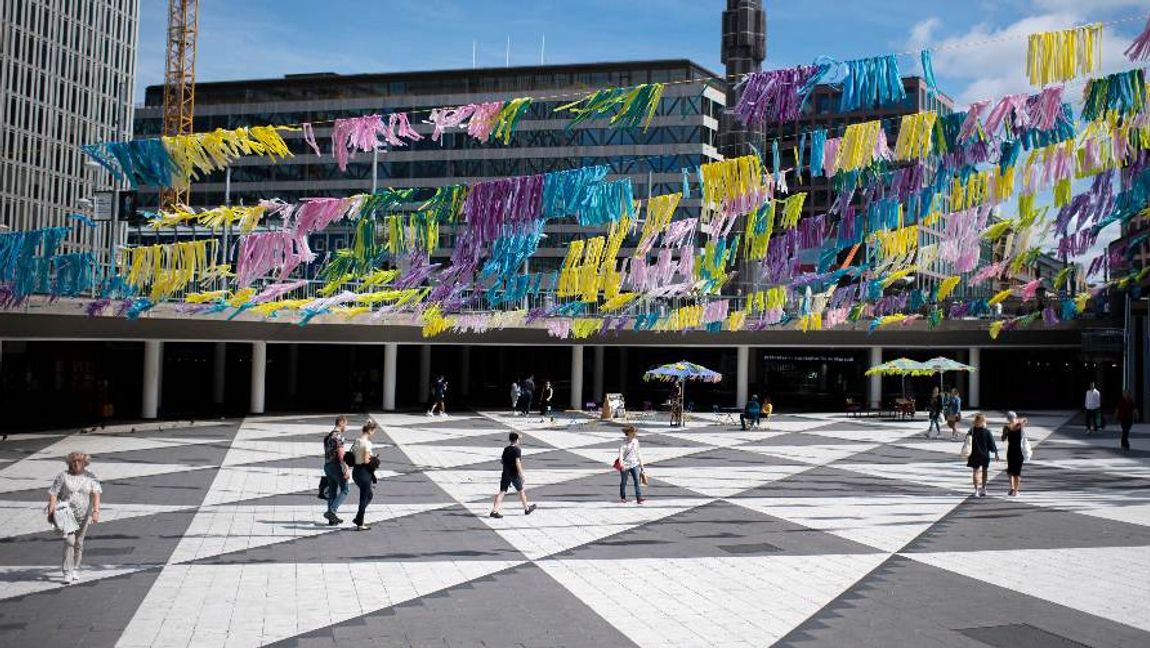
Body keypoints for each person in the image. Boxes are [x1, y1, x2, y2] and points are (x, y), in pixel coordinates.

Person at [47, 451, 102, 583]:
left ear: (85, 463)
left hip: (83, 514)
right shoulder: (63, 476)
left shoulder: (90, 476)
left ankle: (75, 568)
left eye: (79, 461)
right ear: (70, 463)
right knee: (69, 541)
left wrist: (96, 511)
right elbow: (53, 493)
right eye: (74, 461)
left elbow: (96, 494)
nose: (76, 463)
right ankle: (67, 572)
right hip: (66, 513)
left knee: (78, 543)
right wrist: (51, 510)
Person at [490, 432, 537, 518]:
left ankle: (494, 511)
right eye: (518, 439)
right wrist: (522, 474)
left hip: (505, 473)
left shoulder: (506, 449)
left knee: (502, 492)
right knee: (521, 491)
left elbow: (502, 461)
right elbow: (517, 462)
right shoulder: (517, 450)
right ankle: (527, 509)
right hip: (514, 474)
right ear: (516, 440)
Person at [348, 422, 379, 531]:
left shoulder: (356, 441)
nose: (373, 433)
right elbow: (366, 460)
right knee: (364, 497)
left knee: (369, 495)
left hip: (356, 472)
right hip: (364, 472)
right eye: (373, 431)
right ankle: (360, 523)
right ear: (370, 431)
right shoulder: (367, 443)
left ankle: (358, 518)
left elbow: (355, 455)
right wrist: (374, 459)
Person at [322, 416, 351, 526]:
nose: (346, 427)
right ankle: (332, 511)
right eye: (346, 424)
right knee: (345, 489)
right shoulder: (338, 436)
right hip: (336, 466)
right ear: (342, 423)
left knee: (332, 491)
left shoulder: (328, 436)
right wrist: (346, 469)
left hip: (327, 466)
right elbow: (341, 454)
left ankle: (331, 520)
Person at [966, 413, 999, 497]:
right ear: (983, 421)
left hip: (974, 454)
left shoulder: (971, 431)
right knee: (984, 472)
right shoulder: (987, 432)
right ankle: (983, 489)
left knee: (975, 472)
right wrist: (995, 453)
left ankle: (976, 490)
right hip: (984, 455)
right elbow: (992, 444)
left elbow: (967, 442)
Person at [1001, 411, 1028, 496]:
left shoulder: (1007, 427)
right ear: (1015, 417)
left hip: (1011, 451)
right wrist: (1018, 421)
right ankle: (1016, 491)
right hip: (1018, 451)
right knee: (1016, 472)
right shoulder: (1019, 425)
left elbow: (1003, 439)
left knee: (1010, 471)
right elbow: (1025, 420)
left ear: (1008, 418)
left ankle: (1012, 488)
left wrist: (1006, 432)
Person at [617, 425, 645, 503]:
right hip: (625, 465)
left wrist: (642, 464)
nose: (634, 434)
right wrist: (621, 465)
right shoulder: (623, 444)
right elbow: (620, 456)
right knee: (624, 481)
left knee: (637, 480)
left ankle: (639, 498)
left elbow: (638, 453)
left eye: (634, 433)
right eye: (632, 433)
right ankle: (623, 497)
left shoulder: (636, 442)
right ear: (628, 433)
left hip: (634, 464)